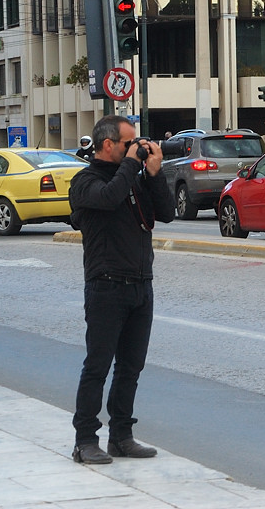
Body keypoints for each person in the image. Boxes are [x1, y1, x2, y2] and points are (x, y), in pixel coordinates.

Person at [68, 115, 175, 465]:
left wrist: (155, 173)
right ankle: (85, 440)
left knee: (131, 367)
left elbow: (168, 213)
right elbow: (110, 198)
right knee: (97, 367)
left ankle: (121, 436)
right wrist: (131, 165)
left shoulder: (134, 178)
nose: (135, 149)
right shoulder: (85, 181)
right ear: (108, 144)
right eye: (129, 143)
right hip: (106, 286)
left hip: (141, 286)